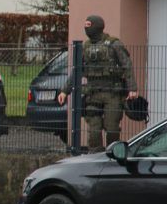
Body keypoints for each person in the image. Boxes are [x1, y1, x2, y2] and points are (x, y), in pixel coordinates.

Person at [58, 15, 138, 152]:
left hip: (112, 93)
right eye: (85, 25)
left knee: (112, 127)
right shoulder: (85, 46)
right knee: (94, 130)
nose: (86, 28)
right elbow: (77, 70)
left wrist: (132, 88)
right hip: (92, 93)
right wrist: (65, 90)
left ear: (97, 26)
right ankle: (95, 157)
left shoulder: (114, 44)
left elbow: (127, 65)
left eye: (89, 25)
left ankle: (113, 155)